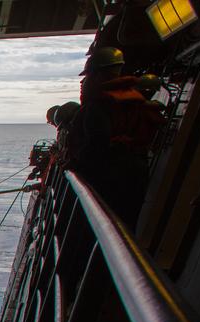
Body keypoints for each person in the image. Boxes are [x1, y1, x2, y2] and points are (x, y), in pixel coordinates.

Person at [66, 45, 164, 227]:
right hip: (136, 171)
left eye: (88, 76)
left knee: (102, 222)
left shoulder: (98, 106)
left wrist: (76, 163)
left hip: (109, 175)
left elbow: (97, 143)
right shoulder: (135, 102)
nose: (84, 82)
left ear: (98, 74)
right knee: (126, 224)